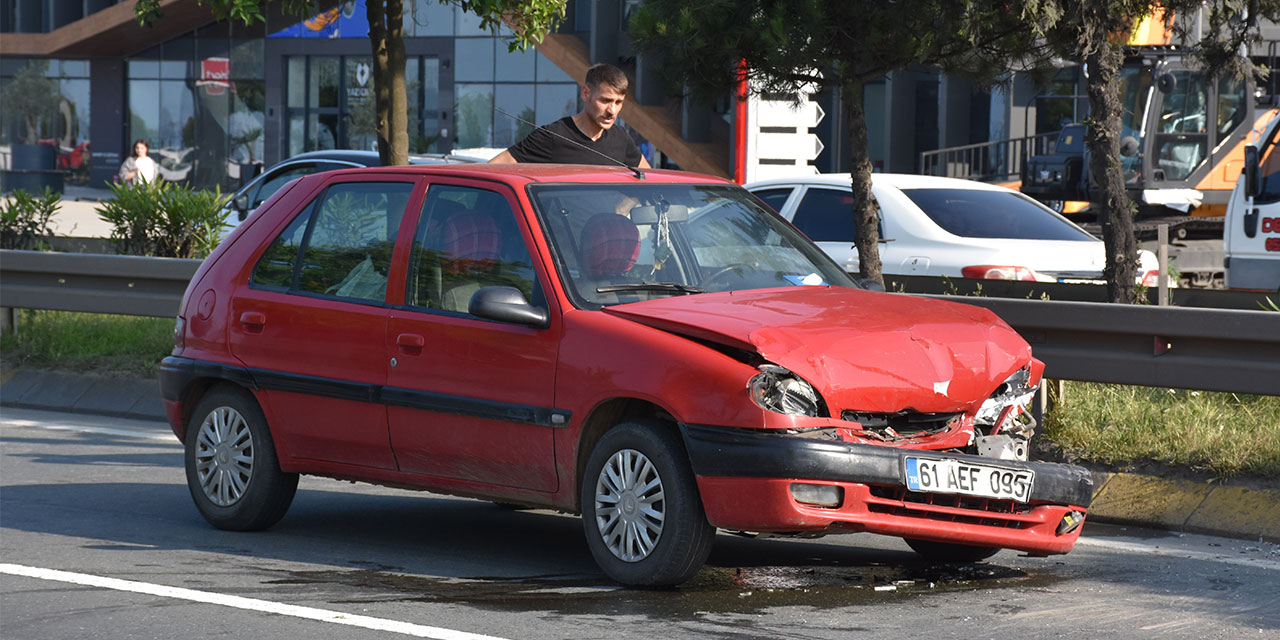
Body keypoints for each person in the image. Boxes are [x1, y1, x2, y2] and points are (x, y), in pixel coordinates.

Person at [490, 63, 652, 168]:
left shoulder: (621, 138)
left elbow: (649, 177)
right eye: (605, 100)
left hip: (610, 222)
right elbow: (493, 168)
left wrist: (624, 207)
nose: (612, 111)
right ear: (586, 93)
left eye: (618, 102)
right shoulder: (553, 136)